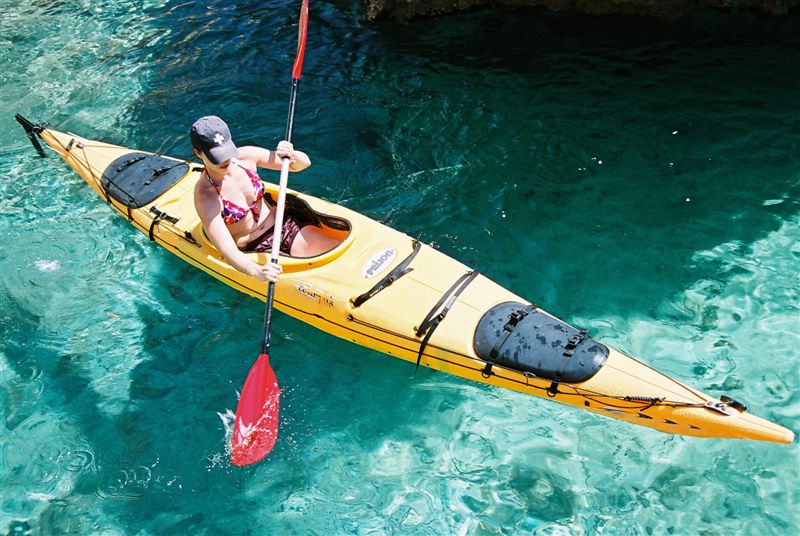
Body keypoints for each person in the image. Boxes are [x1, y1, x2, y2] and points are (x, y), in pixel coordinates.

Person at [191, 115, 339, 282]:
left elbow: (302, 165)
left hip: (283, 227)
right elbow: (226, 249)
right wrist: (255, 271)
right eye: (217, 156)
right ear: (198, 153)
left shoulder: (245, 157)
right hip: (255, 248)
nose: (225, 160)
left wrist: (292, 155)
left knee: (335, 256)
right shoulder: (205, 196)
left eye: (226, 151)